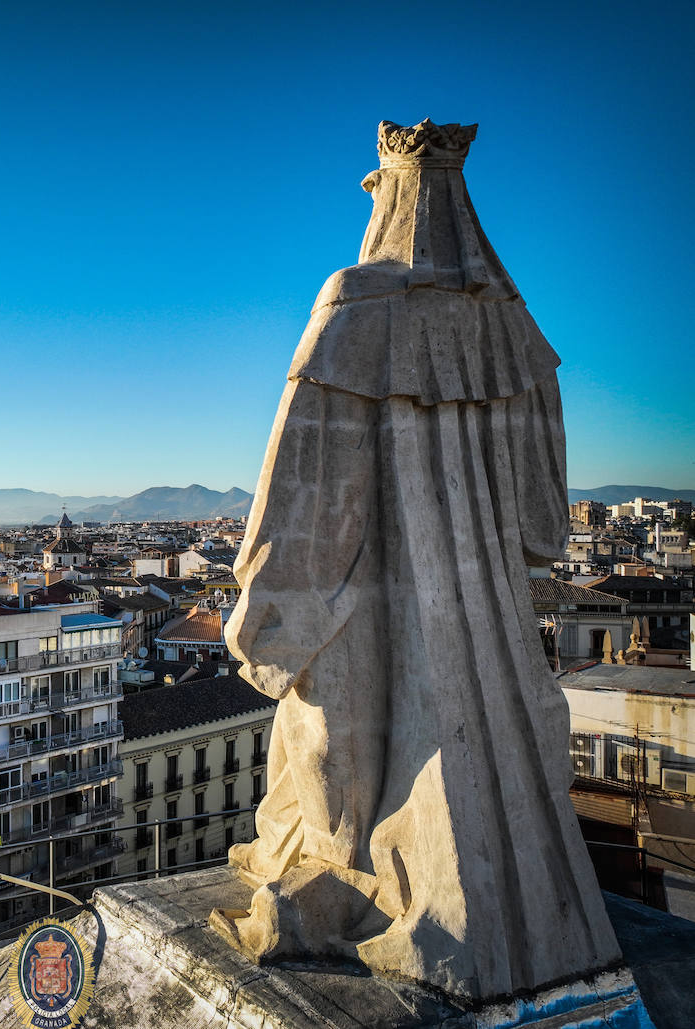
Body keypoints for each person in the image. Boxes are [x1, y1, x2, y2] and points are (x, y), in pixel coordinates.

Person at [211, 120, 621, 1001]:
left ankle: (360, 882)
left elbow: (304, 478)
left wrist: (268, 602)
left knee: (330, 761)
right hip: (486, 619)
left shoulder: (355, 301)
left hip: (380, 597)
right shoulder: (514, 327)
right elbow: (544, 519)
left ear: (386, 197)